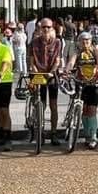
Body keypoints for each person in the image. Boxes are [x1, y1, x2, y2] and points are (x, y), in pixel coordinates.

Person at [65, 31, 98, 149]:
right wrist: (67, 71)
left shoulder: (95, 50)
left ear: (91, 41)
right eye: (82, 41)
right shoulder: (78, 52)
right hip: (81, 83)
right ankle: (87, 135)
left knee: (92, 110)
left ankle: (93, 136)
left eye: (87, 40)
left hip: (93, 83)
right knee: (84, 109)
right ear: (79, 42)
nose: (85, 43)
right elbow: (71, 62)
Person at [31, 17, 64, 145]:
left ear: (52, 28)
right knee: (41, 105)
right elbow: (32, 61)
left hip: (51, 75)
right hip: (39, 74)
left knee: (53, 105)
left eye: (48, 27)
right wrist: (36, 72)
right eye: (43, 27)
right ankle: (40, 131)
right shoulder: (34, 42)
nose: (46, 29)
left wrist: (52, 71)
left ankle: (54, 133)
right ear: (40, 28)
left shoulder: (57, 43)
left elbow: (57, 60)